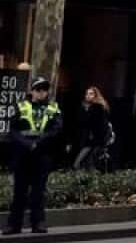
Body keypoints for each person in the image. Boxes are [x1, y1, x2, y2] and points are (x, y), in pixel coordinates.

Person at [4, 76, 62, 234]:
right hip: (22, 154)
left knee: (38, 191)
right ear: (31, 91)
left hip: (42, 154)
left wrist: (39, 142)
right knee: (19, 191)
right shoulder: (21, 106)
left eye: (44, 89)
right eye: (38, 89)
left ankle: (38, 223)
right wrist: (27, 143)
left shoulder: (53, 108)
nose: (41, 92)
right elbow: (13, 130)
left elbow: (56, 130)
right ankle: (14, 225)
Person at [73, 86, 111, 171]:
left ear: (95, 95)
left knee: (80, 163)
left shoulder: (97, 107)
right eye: (87, 93)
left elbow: (95, 123)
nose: (88, 95)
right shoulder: (88, 106)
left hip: (95, 139)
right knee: (88, 164)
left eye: (91, 94)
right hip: (90, 139)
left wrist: (86, 110)